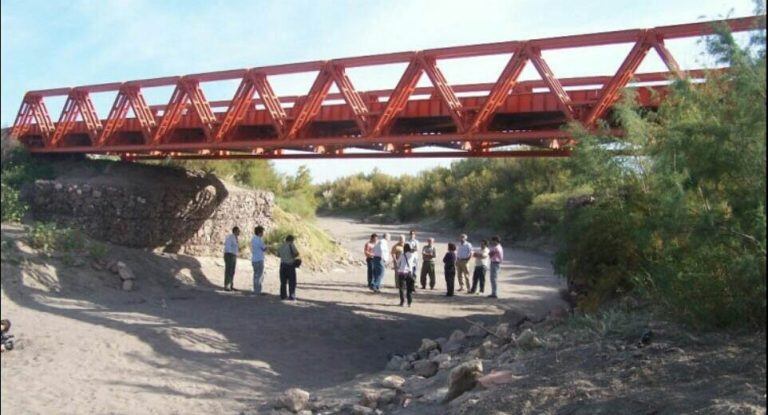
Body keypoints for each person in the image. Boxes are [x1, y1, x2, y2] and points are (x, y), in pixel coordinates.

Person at [277, 235, 301, 300]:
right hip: (290, 265)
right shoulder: (291, 245)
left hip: (282, 265)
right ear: (291, 240)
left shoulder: (281, 245)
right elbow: (296, 253)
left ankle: (283, 295)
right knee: (292, 282)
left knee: (283, 282)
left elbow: (278, 255)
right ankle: (292, 296)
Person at [250, 226, 267, 295]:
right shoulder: (260, 240)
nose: (263, 233)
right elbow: (264, 248)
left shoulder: (253, 239)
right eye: (262, 232)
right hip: (259, 259)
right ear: (260, 233)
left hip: (254, 259)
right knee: (260, 276)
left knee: (255, 275)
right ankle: (258, 291)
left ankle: (255, 290)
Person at [223, 226, 240, 291]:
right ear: (235, 231)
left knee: (232, 271)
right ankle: (227, 285)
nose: (239, 232)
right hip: (229, 255)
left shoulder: (235, 238)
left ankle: (231, 285)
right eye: (238, 231)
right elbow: (228, 246)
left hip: (233, 255)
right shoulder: (230, 237)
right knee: (228, 270)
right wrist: (230, 254)